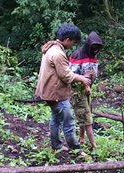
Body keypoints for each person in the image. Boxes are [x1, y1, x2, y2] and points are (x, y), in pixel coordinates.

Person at [34, 23, 92, 156]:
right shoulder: (58, 53)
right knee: (69, 121)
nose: (73, 45)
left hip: (48, 92)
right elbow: (65, 75)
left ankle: (56, 146)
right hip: (55, 93)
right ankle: (76, 149)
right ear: (67, 40)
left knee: (56, 118)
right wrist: (82, 78)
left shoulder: (51, 48)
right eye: (74, 42)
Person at [69, 31, 103, 150]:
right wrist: (84, 83)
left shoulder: (94, 56)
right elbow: (71, 76)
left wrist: (91, 79)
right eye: (93, 47)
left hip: (87, 90)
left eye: (97, 48)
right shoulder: (77, 55)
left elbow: (94, 74)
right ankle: (94, 146)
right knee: (87, 119)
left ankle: (82, 138)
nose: (95, 49)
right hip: (77, 91)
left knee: (85, 115)